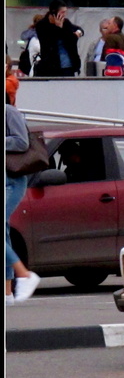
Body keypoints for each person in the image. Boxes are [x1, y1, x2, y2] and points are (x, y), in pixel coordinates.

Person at [5, 99, 41, 305]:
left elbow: (22, 142)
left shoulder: (9, 111)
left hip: (11, 180)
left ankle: (24, 275)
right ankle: (7, 293)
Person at [34, 0, 85, 77]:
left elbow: (72, 39)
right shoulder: (42, 25)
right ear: (54, 12)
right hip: (51, 66)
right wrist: (58, 28)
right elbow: (50, 41)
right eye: (62, 12)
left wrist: (78, 33)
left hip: (68, 65)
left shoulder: (66, 23)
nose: (65, 14)